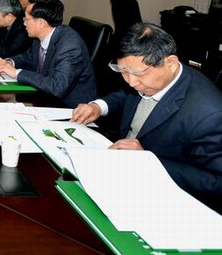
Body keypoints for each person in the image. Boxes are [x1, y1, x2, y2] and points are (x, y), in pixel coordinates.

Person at [72, 23, 222, 208]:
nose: (131, 82)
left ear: (170, 63)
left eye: (137, 74)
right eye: (123, 71)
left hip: (162, 195)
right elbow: (127, 95)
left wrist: (147, 161)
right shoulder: (147, 77)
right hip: (116, 168)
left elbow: (216, 181)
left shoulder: (210, 114)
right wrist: (99, 106)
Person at [0, 0, 96, 107]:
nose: (24, 23)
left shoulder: (70, 46)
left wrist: (17, 73)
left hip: (72, 109)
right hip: (45, 99)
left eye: (26, 19)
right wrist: (9, 62)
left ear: (41, 23)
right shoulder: (40, 37)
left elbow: (57, 87)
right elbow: (27, 57)